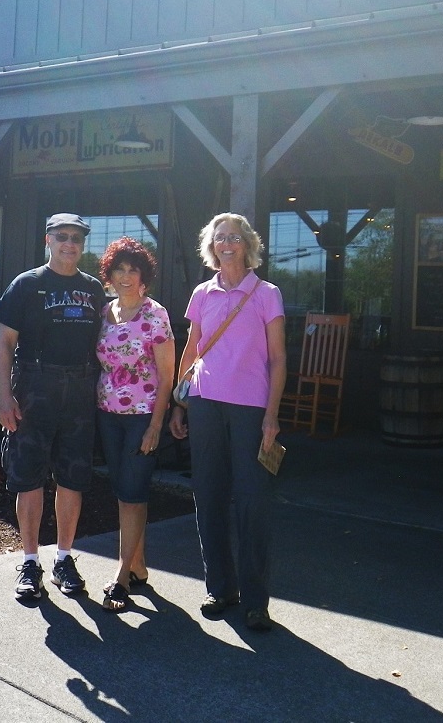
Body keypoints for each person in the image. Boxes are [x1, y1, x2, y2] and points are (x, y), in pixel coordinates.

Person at [169, 212, 286, 632]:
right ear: (212, 246)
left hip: (251, 409)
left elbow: (278, 358)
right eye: (220, 238)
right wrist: (179, 404)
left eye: (234, 237)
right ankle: (221, 588)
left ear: (247, 244)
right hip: (204, 405)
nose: (227, 243)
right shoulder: (202, 293)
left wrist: (272, 416)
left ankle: (256, 601)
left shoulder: (266, 293)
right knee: (210, 498)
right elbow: (191, 349)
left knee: (253, 503)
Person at [0, 213, 106, 601]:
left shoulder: (94, 289)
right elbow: (5, 345)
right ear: (48, 240)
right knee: (28, 477)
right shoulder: (27, 284)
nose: (69, 243)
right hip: (33, 388)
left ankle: (63, 559)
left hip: (79, 390)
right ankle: (29, 562)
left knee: (73, 477)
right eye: (62, 237)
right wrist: (4, 395)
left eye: (76, 238)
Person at [94, 237, 176, 613]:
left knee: (133, 492)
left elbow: (167, 376)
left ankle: (123, 575)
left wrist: (156, 425)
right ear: (109, 275)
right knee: (124, 492)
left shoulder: (154, 314)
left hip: (142, 416)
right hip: (108, 415)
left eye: (133, 269)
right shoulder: (105, 312)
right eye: (119, 269)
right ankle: (140, 566)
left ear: (144, 276)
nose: (125, 276)